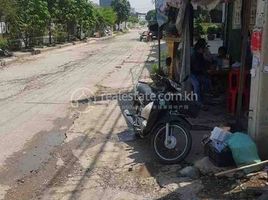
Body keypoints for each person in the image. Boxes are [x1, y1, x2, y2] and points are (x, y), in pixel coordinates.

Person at [190, 39, 212, 108]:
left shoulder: (200, 55)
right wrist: (205, 70)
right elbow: (197, 67)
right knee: (197, 85)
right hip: (191, 74)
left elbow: (205, 63)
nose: (204, 50)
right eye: (203, 48)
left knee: (207, 82)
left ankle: (202, 97)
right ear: (199, 49)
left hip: (198, 74)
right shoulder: (194, 55)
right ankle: (198, 103)